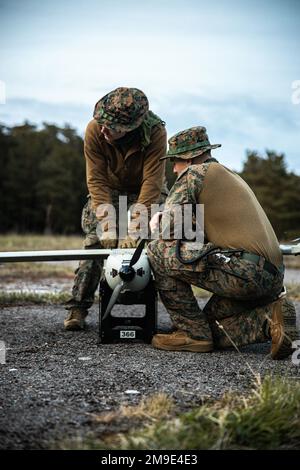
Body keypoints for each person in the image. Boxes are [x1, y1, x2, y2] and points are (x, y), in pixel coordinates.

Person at [147, 126, 298, 359]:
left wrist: (159, 220)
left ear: (188, 158)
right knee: (209, 330)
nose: (174, 168)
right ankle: (270, 321)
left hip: (245, 272)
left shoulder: (193, 174)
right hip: (272, 278)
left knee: (158, 250)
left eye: (174, 161)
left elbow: (170, 232)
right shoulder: (229, 175)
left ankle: (190, 333)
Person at [64, 87, 168, 330]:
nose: (103, 129)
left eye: (111, 127)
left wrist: (136, 227)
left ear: (129, 128)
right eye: (101, 123)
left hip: (145, 190)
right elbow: (96, 180)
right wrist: (108, 224)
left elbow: (152, 182)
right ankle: (77, 308)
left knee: (153, 246)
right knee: (94, 243)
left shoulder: (155, 132)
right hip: (107, 189)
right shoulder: (94, 129)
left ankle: (181, 315)